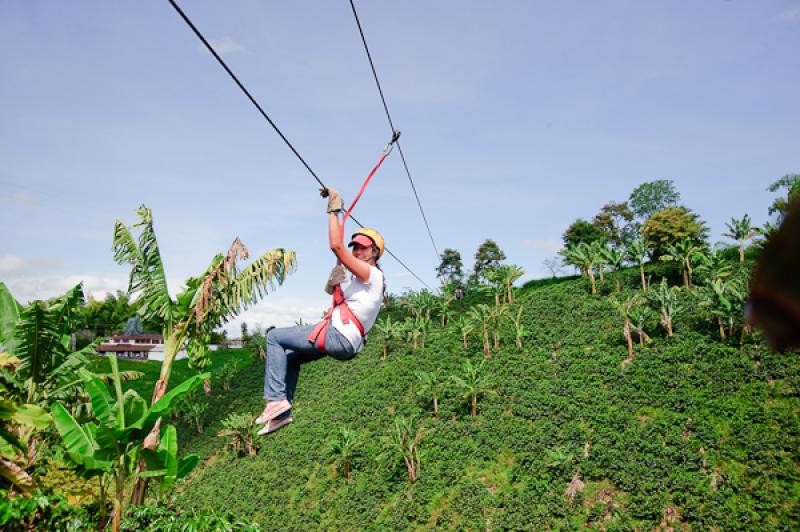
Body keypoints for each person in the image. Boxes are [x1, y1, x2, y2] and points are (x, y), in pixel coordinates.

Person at [256, 187, 386, 435]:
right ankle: (283, 412)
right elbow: (340, 301)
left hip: (339, 337)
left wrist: (333, 209)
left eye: (363, 248)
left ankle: (274, 400)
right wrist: (334, 285)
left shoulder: (373, 275)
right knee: (290, 358)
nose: (357, 252)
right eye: (355, 248)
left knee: (274, 337)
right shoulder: (361, 285)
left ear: (375, 252)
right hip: (346, 343)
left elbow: (336, 246)